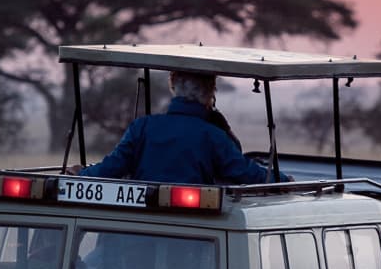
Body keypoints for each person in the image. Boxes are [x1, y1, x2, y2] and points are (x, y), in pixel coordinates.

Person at [76, 70, 289, 184]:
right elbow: (244, 171)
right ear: (210, 92)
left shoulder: (141, 127)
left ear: (173, 86)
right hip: (195, 234)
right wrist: (282, 180)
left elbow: (111, 167)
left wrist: (81, 175)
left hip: (140, 230)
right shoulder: (213, 135)